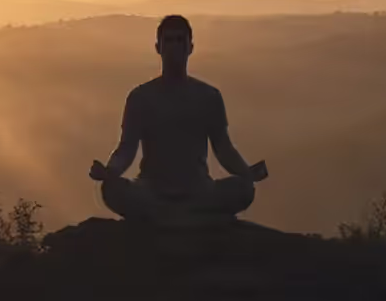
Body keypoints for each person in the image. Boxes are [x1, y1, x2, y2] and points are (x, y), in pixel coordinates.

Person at [89, 14, 268, 225]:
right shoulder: (140, 98)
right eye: (169, 40)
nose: (174, 47)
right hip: (151, 191)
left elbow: (223, 147)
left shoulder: (209, 97)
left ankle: (168, 216)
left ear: (190, 47)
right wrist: (110, 172)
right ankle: (189, 217)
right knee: (111, 189)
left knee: (243, 189)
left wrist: (246, 173)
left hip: (198, 190)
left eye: (179, 40)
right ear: (158, 47)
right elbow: (126, 148)